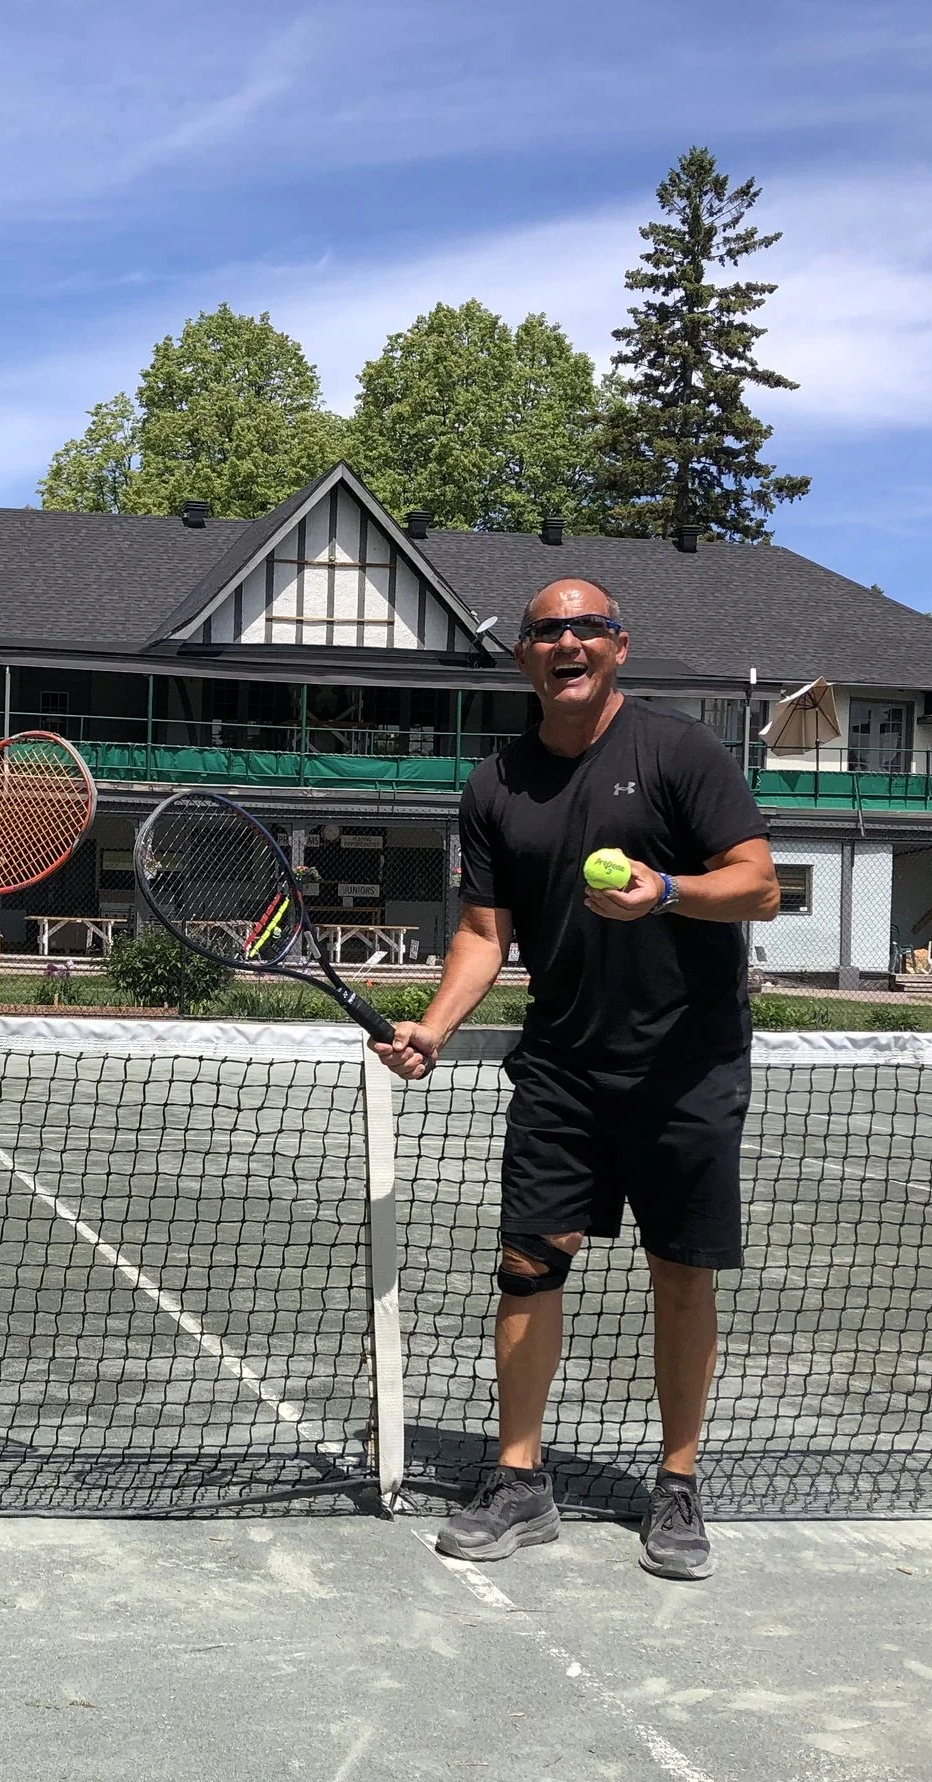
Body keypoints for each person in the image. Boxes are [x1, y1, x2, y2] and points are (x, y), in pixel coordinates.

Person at [374, 576, 778, 1579]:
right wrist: (431, 1024)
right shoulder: (494, 787)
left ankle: (676, 1485)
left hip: (688, 1064)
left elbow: (760, 884)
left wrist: (670, 892)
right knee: (526, 1263)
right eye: (547, 631)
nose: (567, 643)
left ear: (617, 647)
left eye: (585, 628)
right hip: (559, 1066)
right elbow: (481, 933)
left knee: (679, 1275)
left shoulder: (677, 752)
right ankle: (518, 1479)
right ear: (524, 657)